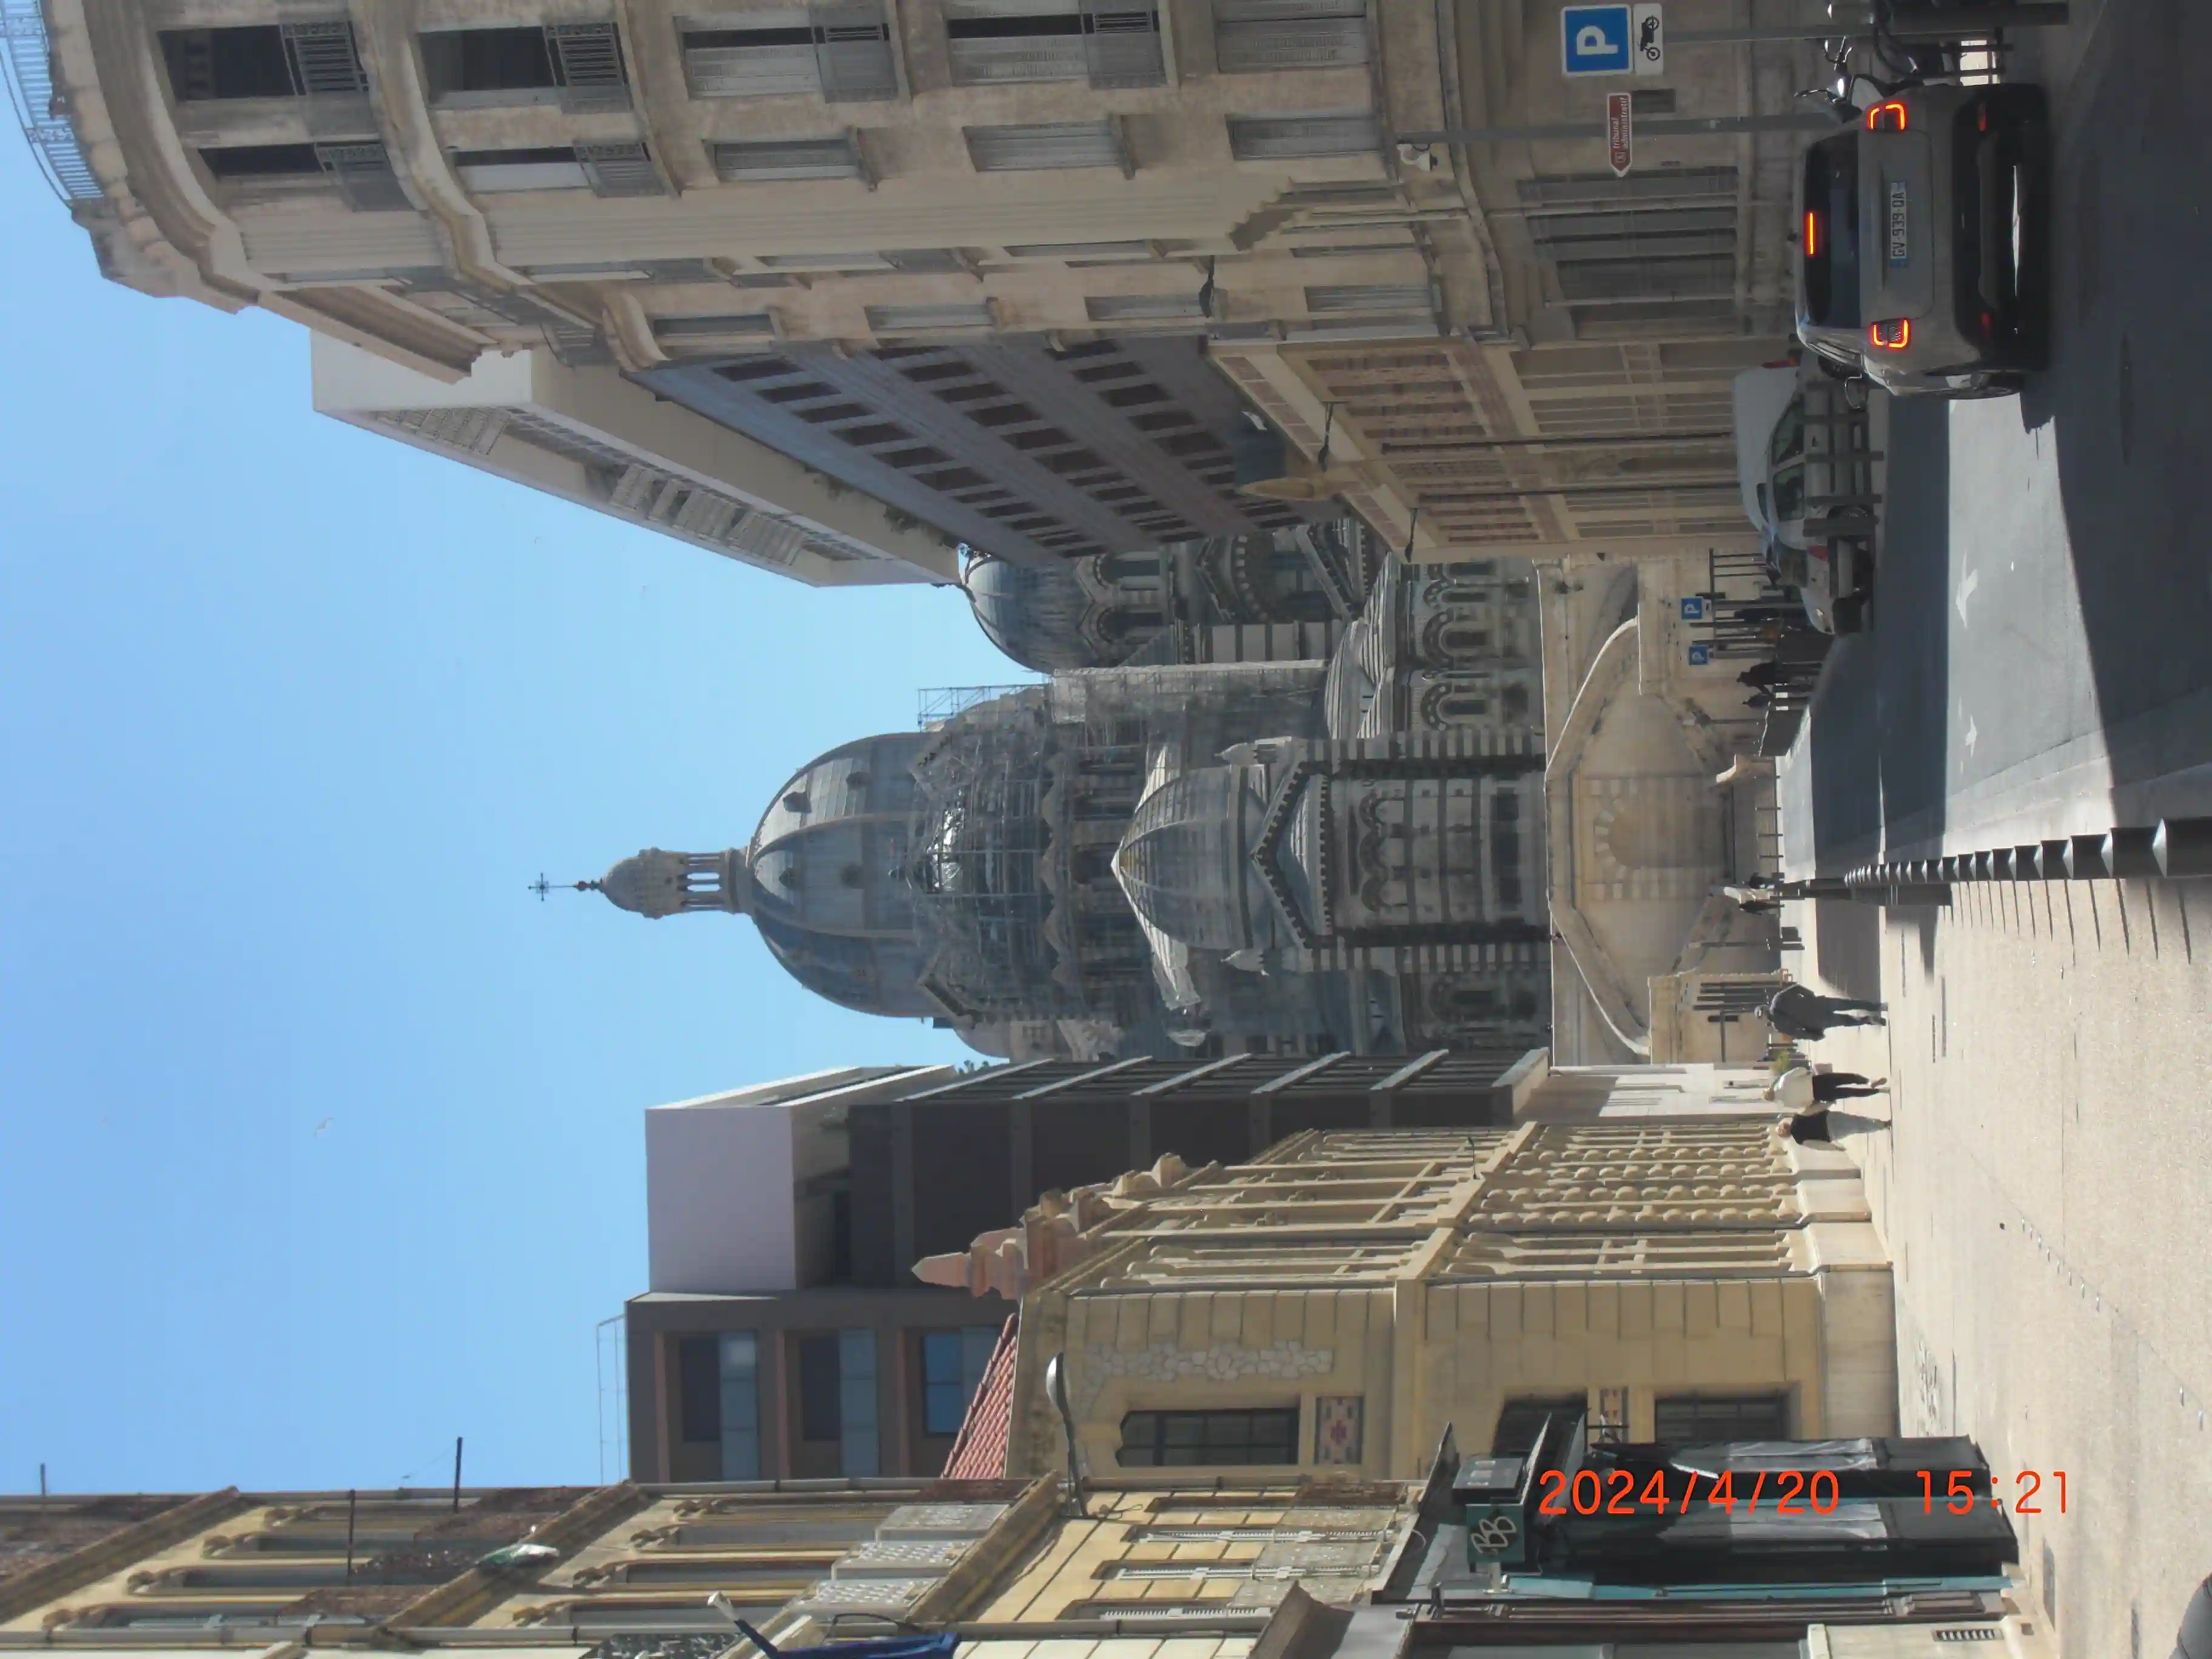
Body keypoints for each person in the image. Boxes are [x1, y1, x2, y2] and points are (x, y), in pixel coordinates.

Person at [1765, 982, 1886, 1041]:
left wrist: (1814, 1036)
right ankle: (1877, 1007)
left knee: (1846, 1021)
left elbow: (1798, 1033)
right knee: (1849, 1004)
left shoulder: (1778, 1026)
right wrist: (1811, 996)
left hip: (1816, 1022)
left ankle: (1868, 1020)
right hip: (1820, 1004)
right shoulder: (1778, 999)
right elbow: (1797, 988)